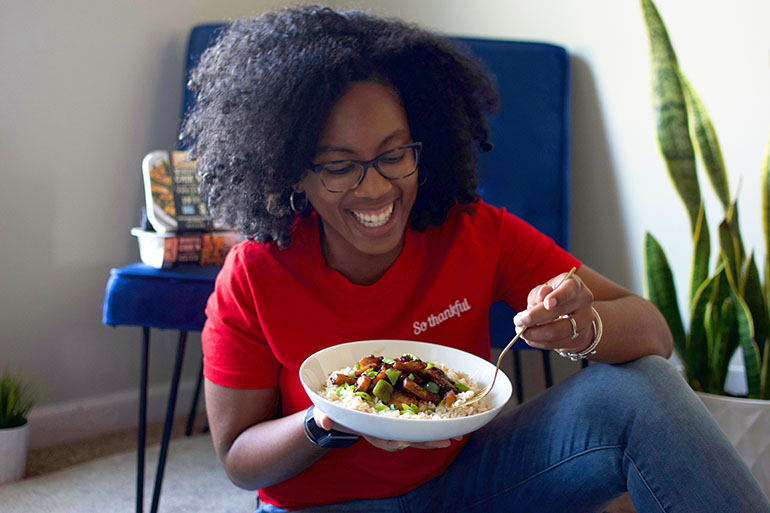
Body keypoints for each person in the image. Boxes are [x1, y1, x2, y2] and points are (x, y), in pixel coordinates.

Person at [182, 6, 770, 512]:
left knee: (644, 389)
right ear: (294, 175)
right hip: (326, 504)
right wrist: (329, 421)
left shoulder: (471, 231)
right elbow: (239, 460)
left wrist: (577, 326)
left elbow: (654, 332)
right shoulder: (257, 273)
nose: (375, 189)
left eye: (394, 155)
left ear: (425, 146)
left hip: (464, 485)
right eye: (339, 166)